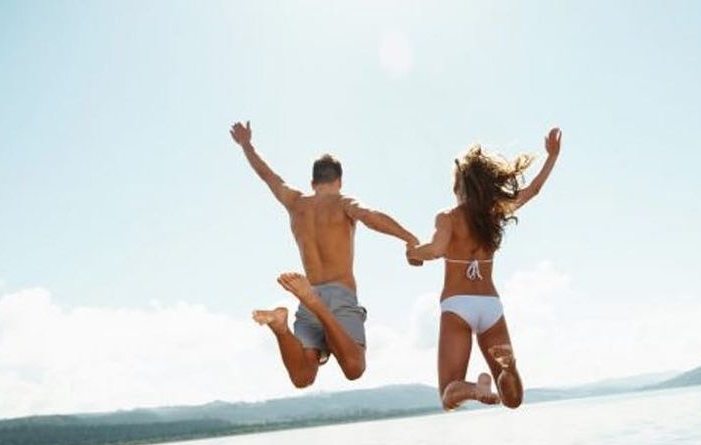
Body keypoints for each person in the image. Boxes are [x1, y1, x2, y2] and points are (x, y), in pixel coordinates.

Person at [230, 120, 419, 388]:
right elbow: (369, 216)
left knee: (303, 377)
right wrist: (409, 238)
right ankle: (317, 306)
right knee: (354, 368)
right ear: (339, 181)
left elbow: (268, 176)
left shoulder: (295, 202)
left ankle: (281, 328)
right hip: (337, 295)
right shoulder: (343, 202)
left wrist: (246, 144)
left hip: (308, 291)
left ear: (312, 182)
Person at [408, 128, 562, 410]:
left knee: (448, 395)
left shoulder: (448, 218)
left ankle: (475, 390)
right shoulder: (494, 214)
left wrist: (412, 253)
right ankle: (509, 370)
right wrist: (552, 157)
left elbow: (436, 249)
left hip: (458, 306)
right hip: (491, 305)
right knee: (512, 400)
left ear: (460, 187)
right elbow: (533, 191)